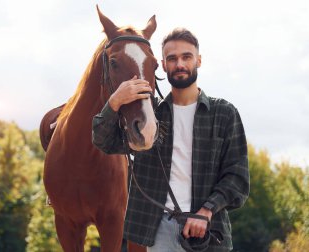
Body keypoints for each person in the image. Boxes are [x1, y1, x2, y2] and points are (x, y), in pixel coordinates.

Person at [92, 28, 249, 251]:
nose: (180, 64)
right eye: (172, 59)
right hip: (158, 232)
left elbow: (238, 177)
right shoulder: (149, 119)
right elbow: (103, 141)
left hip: (208, 230)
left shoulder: (224, 113)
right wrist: (114, 102)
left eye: (187, 57)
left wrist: (206, 211)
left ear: (199, 60)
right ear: (163, 65)